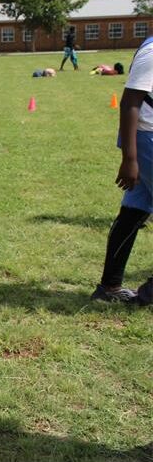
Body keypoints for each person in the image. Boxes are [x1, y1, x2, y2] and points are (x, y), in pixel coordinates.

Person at [93, 35, 153, 305]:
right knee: (133, 211)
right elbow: (130, 101)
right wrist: (130, 158)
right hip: (147, 138)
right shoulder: (152, 51)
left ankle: (109, 287)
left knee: (133, 212)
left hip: (144, 139)